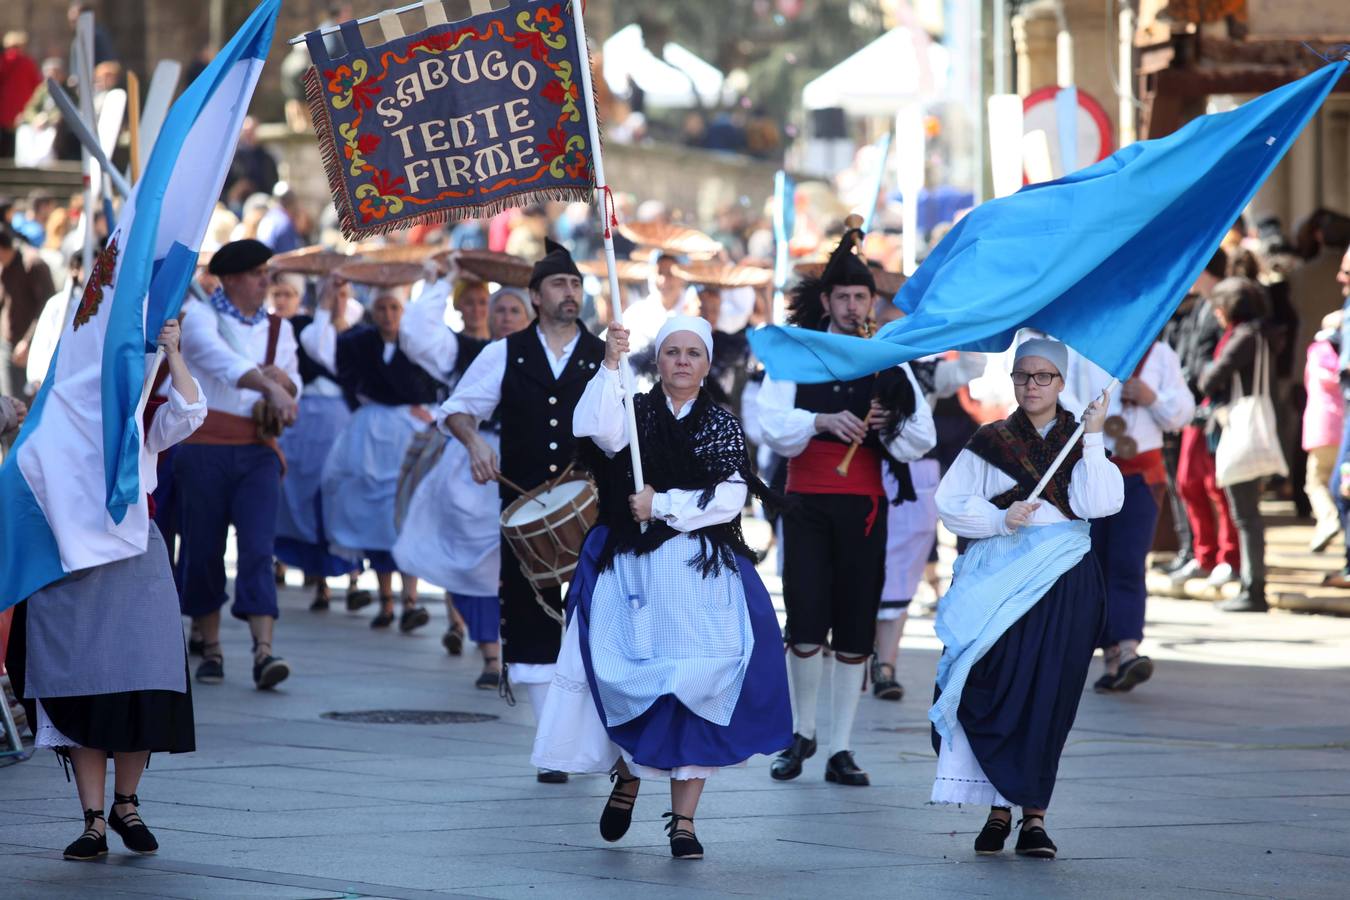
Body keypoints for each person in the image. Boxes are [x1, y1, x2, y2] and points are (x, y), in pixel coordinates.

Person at [531, 315, 792, 859]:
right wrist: (609, 364)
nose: (681, 361)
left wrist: (663, 505)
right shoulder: (633, 410)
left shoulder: (722, 425)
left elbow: (728, 498)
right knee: (633, 678)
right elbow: (592, 426)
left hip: (699, 569)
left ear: (706, 364)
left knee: (699, 681)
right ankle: (627, 776)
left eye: (692, 353)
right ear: (658, 360)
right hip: (634, 568)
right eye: (672, 351)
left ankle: (684, 822)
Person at [5, 318, 205, 861]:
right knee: (80, 688)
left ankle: (126, 804)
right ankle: (93, 820)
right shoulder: (48, 433)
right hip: (68, 569)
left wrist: (174, 353)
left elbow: (189, 412)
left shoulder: (137, 424)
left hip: (135, 560)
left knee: (142, 681)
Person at [755, 231, 935, 787]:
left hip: (864, 507)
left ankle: (840, 747)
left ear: (871, 303)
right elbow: (769, 421)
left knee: (855, 623)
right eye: (844, 297)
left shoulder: (888, 362)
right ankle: (802, 732)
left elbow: (922, 437)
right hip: (806, 502)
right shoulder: (798, 356)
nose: (853, 306)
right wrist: (819, 422)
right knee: (806, 621)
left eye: (862, 297)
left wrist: (891, 424)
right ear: (826, 302)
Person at [930, 338, 1122, 859]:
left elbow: (1101, 503)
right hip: (1000, 576)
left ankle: (1033, 815)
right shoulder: (990, 439)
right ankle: (997, 809)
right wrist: (997, 519)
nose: (1032, 386)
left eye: (1043, 377)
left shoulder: (1082, 437)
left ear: (1061, 383)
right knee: (992, 683)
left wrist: (1095, 436)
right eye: (1023, 377)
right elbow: (949, 501)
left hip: (1064, 580)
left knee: (1049, 694)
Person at [441, 239, 607, 783]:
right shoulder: (504, 352)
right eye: (559, 285)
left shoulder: (606, 355)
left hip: (594, 506)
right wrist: (475, 443)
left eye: (577, 285)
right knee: (532, 620)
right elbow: (459, 410)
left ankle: (592, 732)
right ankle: (550, 741)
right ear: (536, 296)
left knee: (595, 621)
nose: (571, 293)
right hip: (525, 507)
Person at [175, 239, 300, 690]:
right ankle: (210, 646)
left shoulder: (276, 328)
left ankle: (263, 651)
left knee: (258, 548)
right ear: (230, 279)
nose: (266, 280)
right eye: (256, 273)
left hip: (257, 449)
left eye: (266, 272)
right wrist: (269, 386)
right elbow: (218, 360)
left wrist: (284, 383)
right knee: (204, 548)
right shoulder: (203, 317)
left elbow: (292, 377)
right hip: (204, 446)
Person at [394, 287, 533, 687]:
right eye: (499, 310)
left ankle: (518, 650)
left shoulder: (542, 361)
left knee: (515, 565)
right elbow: (417, 334)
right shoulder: (468, 353)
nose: (505, 317)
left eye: (514, 310)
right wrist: (441, 278)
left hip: (522, 468)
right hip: (471, 465)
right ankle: (491, 655)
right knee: (472, 562)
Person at [312, 274, 445, 631]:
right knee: (374, 513)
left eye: (394, 308)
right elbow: (323, 351)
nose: (388, 315)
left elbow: (441, 378)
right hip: (370, 436)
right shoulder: (358, 342)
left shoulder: (419, 344)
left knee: (406, 513)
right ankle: (386, 600)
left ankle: (410, 600)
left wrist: (427, 407)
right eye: (382, 308)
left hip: (408, 433)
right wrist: (330, 304)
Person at [1064, 340, 1193, 691]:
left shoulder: (1161, 353)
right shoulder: (1083, 349)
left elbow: (1182, 414)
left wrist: (1152, 398)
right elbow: (1064, 403)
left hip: (1141, 475)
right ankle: (1110, 657)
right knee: (1092, 565)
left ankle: (1127, 649)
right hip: (1093, 469)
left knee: (1128, 562)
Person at [273, 270, 361, 610]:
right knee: (309, 492)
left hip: (344, 417)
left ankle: (354, 574)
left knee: (346, 493)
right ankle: (320, 578)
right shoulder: (306, 330)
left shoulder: (357, 329)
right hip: (309, 420)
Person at [1197, 278, 1278, 613]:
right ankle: (1251, 583)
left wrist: (1203, 359)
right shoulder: (1261, 333)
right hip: (1246, 422)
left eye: (1219, 306)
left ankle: (1253, 587)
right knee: (1246, 512)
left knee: (1245, 514)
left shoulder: (1244, 336)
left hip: (1240, 425)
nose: (1215, 313)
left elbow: (1209, 378)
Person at [1170, 250, 1240, 588]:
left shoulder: (1223, 304)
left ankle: (1227, 557)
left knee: (1216, 485)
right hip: (1192, 409)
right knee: (1188, 483)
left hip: (1214, 409)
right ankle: (1204, 552)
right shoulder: (1199, 305)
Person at [1302, 316, 1343, 553]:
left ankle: (1328, 519)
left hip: (1322, 426)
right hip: (1344, 427)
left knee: (1316, 481)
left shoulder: (1317, 352)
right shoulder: (1344, 356)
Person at [0, 227, 56, 398]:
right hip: (6, 344)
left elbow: (49, 307)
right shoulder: (3, 268)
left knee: (31, 405)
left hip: (32, 347)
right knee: (10, 403)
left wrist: (28, 341)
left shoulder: (33, 264)